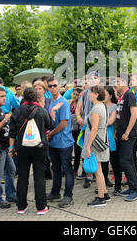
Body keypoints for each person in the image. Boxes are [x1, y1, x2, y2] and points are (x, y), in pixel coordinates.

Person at [8, 87, 54, 215]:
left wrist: (11, 148)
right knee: (39, 177)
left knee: (22, 176)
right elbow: (51, 125)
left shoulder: (17, 111)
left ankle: (21, 206)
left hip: (22, 148)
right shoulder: (41, 110)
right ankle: (41, 206)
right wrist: (53, 112)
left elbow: (12, 132)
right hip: (39, 147)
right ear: (36, 97)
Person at [46, 77, 75, 208]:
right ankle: (55, 192)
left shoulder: (63, 102)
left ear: (59, 87)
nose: (52, 88)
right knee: (55, 168)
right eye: (50, 86)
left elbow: (63, 123)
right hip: (53, 143)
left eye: (54, 85)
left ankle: (68, 196)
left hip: (64, 142)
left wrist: (51, 133)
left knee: (67, 169)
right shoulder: (51, 102)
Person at [83, 85, 111, 207]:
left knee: (97, 171)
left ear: (96, 94)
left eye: (91, 92)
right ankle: (104, 193)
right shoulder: (102, 106)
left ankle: (101, 198)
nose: (89, 94)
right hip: (101, 140)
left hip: (95, 142)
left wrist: (88, 146)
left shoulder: (96, 109)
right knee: (99, 170)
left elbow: (94, 129)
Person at [114, 74, 137, 201]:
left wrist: (127, 132)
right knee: (126, 161)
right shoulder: (121, 96)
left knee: (125, 161)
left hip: (129, 135)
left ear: (125, 82)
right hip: (121, 133)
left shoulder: (130, 94)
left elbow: (134, 115)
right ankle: (131, 186)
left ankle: (135, 190)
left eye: (118, 81)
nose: (116, 84)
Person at [75, 71, 100, 187]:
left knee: (99, 150)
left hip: (98, 127)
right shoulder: (84, 93)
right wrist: (79, 117)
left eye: (95, 78)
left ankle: (100, 175)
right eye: (91, 78)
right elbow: (78, 108)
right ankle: (89, 176)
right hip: (86, 126)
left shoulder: (102, 93)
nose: (93, 80)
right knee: (86, 150)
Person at [104, 86, 122, 194]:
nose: (103, 97)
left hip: (112, 138)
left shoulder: (114, 106)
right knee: (103, 164)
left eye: (105, 94)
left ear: (111, 96)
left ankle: (118, 187)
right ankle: (103, 186)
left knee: (115, 164)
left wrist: (97, 122)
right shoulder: (99, 106)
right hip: (101, 139)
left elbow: (110, 121)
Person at [70, 87, 84, 177]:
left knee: (78, 150)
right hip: (70, 129)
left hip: (79, 129)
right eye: (74, 94)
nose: (74, 96)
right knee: (72, 150)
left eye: (77, 94)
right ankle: (73, 169)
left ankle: (77, 170)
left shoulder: (81, 104)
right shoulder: (69, 102)